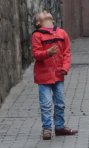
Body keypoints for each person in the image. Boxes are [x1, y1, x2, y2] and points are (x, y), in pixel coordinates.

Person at [32, 11, 77, 140]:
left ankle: (59, 127)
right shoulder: (37, 35)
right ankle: (47, 128)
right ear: (38, 23)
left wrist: (65, 67)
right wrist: (48, 53)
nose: (45, 12)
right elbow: (36, 54)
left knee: (60, 103)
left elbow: (67, 52)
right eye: (42, 13)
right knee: (46, 104)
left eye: (47, 12)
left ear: (53, 20)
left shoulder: (62, 33)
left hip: (58, 74)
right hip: (43, 76)